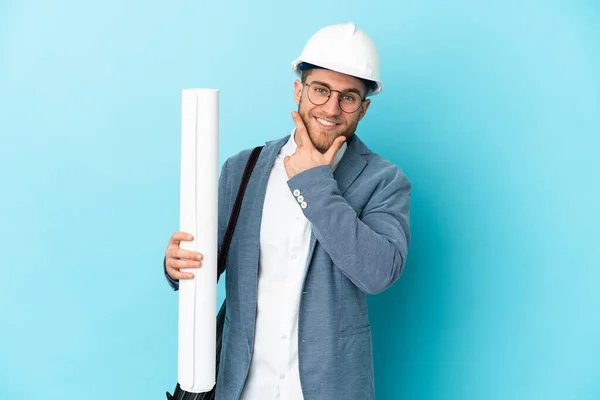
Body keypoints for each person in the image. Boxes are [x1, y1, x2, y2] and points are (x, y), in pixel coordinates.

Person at [164, 22, 411, 400]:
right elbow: (201, 264)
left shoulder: (383, 180)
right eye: (320, 90)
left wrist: (314, 182)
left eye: (348, 97)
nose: (331, 107)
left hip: (329, 389)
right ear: (299, 90)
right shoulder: (243, 169)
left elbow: (378, 273)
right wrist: (176, 265)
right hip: (241, 387)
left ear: (364, 108)